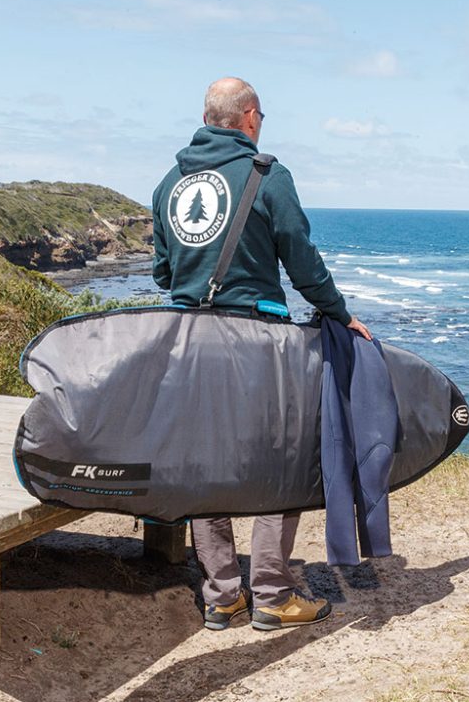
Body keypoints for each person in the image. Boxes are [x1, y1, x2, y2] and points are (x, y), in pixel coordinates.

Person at [152, 77, 371, 631]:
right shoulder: (266, 175)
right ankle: (272, 592)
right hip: (256, 343)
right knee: (280, 460)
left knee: (207, 464)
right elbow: (300, 258)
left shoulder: (169, 184)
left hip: (188, 340)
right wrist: (338, 312)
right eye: (261, 116)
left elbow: (162, 272)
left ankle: (223, 594)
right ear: (249, 116)